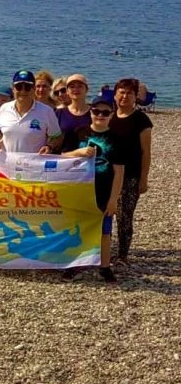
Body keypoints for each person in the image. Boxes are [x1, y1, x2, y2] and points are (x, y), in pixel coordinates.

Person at [62, 96, 123, 283]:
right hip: (79, 189)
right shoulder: (78, 132)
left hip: (104, 190)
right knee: (77, 227)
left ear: (112, 115)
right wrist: (78, 153)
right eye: (97, 111)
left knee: (105, 231)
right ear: (91, 112)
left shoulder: (117, 139)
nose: (100, 115)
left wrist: (114, 199)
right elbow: (63, 156)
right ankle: (75, 264)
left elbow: (119, 171)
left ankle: (104, 267)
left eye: (105, 112)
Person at [109, 78, 152, 263]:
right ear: (115, 94)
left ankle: (122, 254)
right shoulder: (109, 116)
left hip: (130, 176)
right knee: (106, 213)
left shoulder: (141, 119)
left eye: (129, 93)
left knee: (124, 215)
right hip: (108, 175)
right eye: (121, 92)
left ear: (135, 97)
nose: (124, 96)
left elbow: (146, 151)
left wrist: (143, 179)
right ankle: (104, 249)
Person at [0, 70, 61, 154]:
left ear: (34, 89)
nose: (23, 91)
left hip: (33, 164)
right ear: (13, 88)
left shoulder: (47, 111)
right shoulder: (4, 108)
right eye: (19, 87)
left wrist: (49, 146)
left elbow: (57, 137)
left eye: (27, 87)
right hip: (6, 163)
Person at [56, 74, 92, 153]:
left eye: (80, 86)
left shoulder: (96, 112)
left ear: (86, 90)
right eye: (72, 87)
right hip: (65, 160)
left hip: (89, 160)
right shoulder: (59, 113)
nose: (76, 89)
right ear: (67, 91)